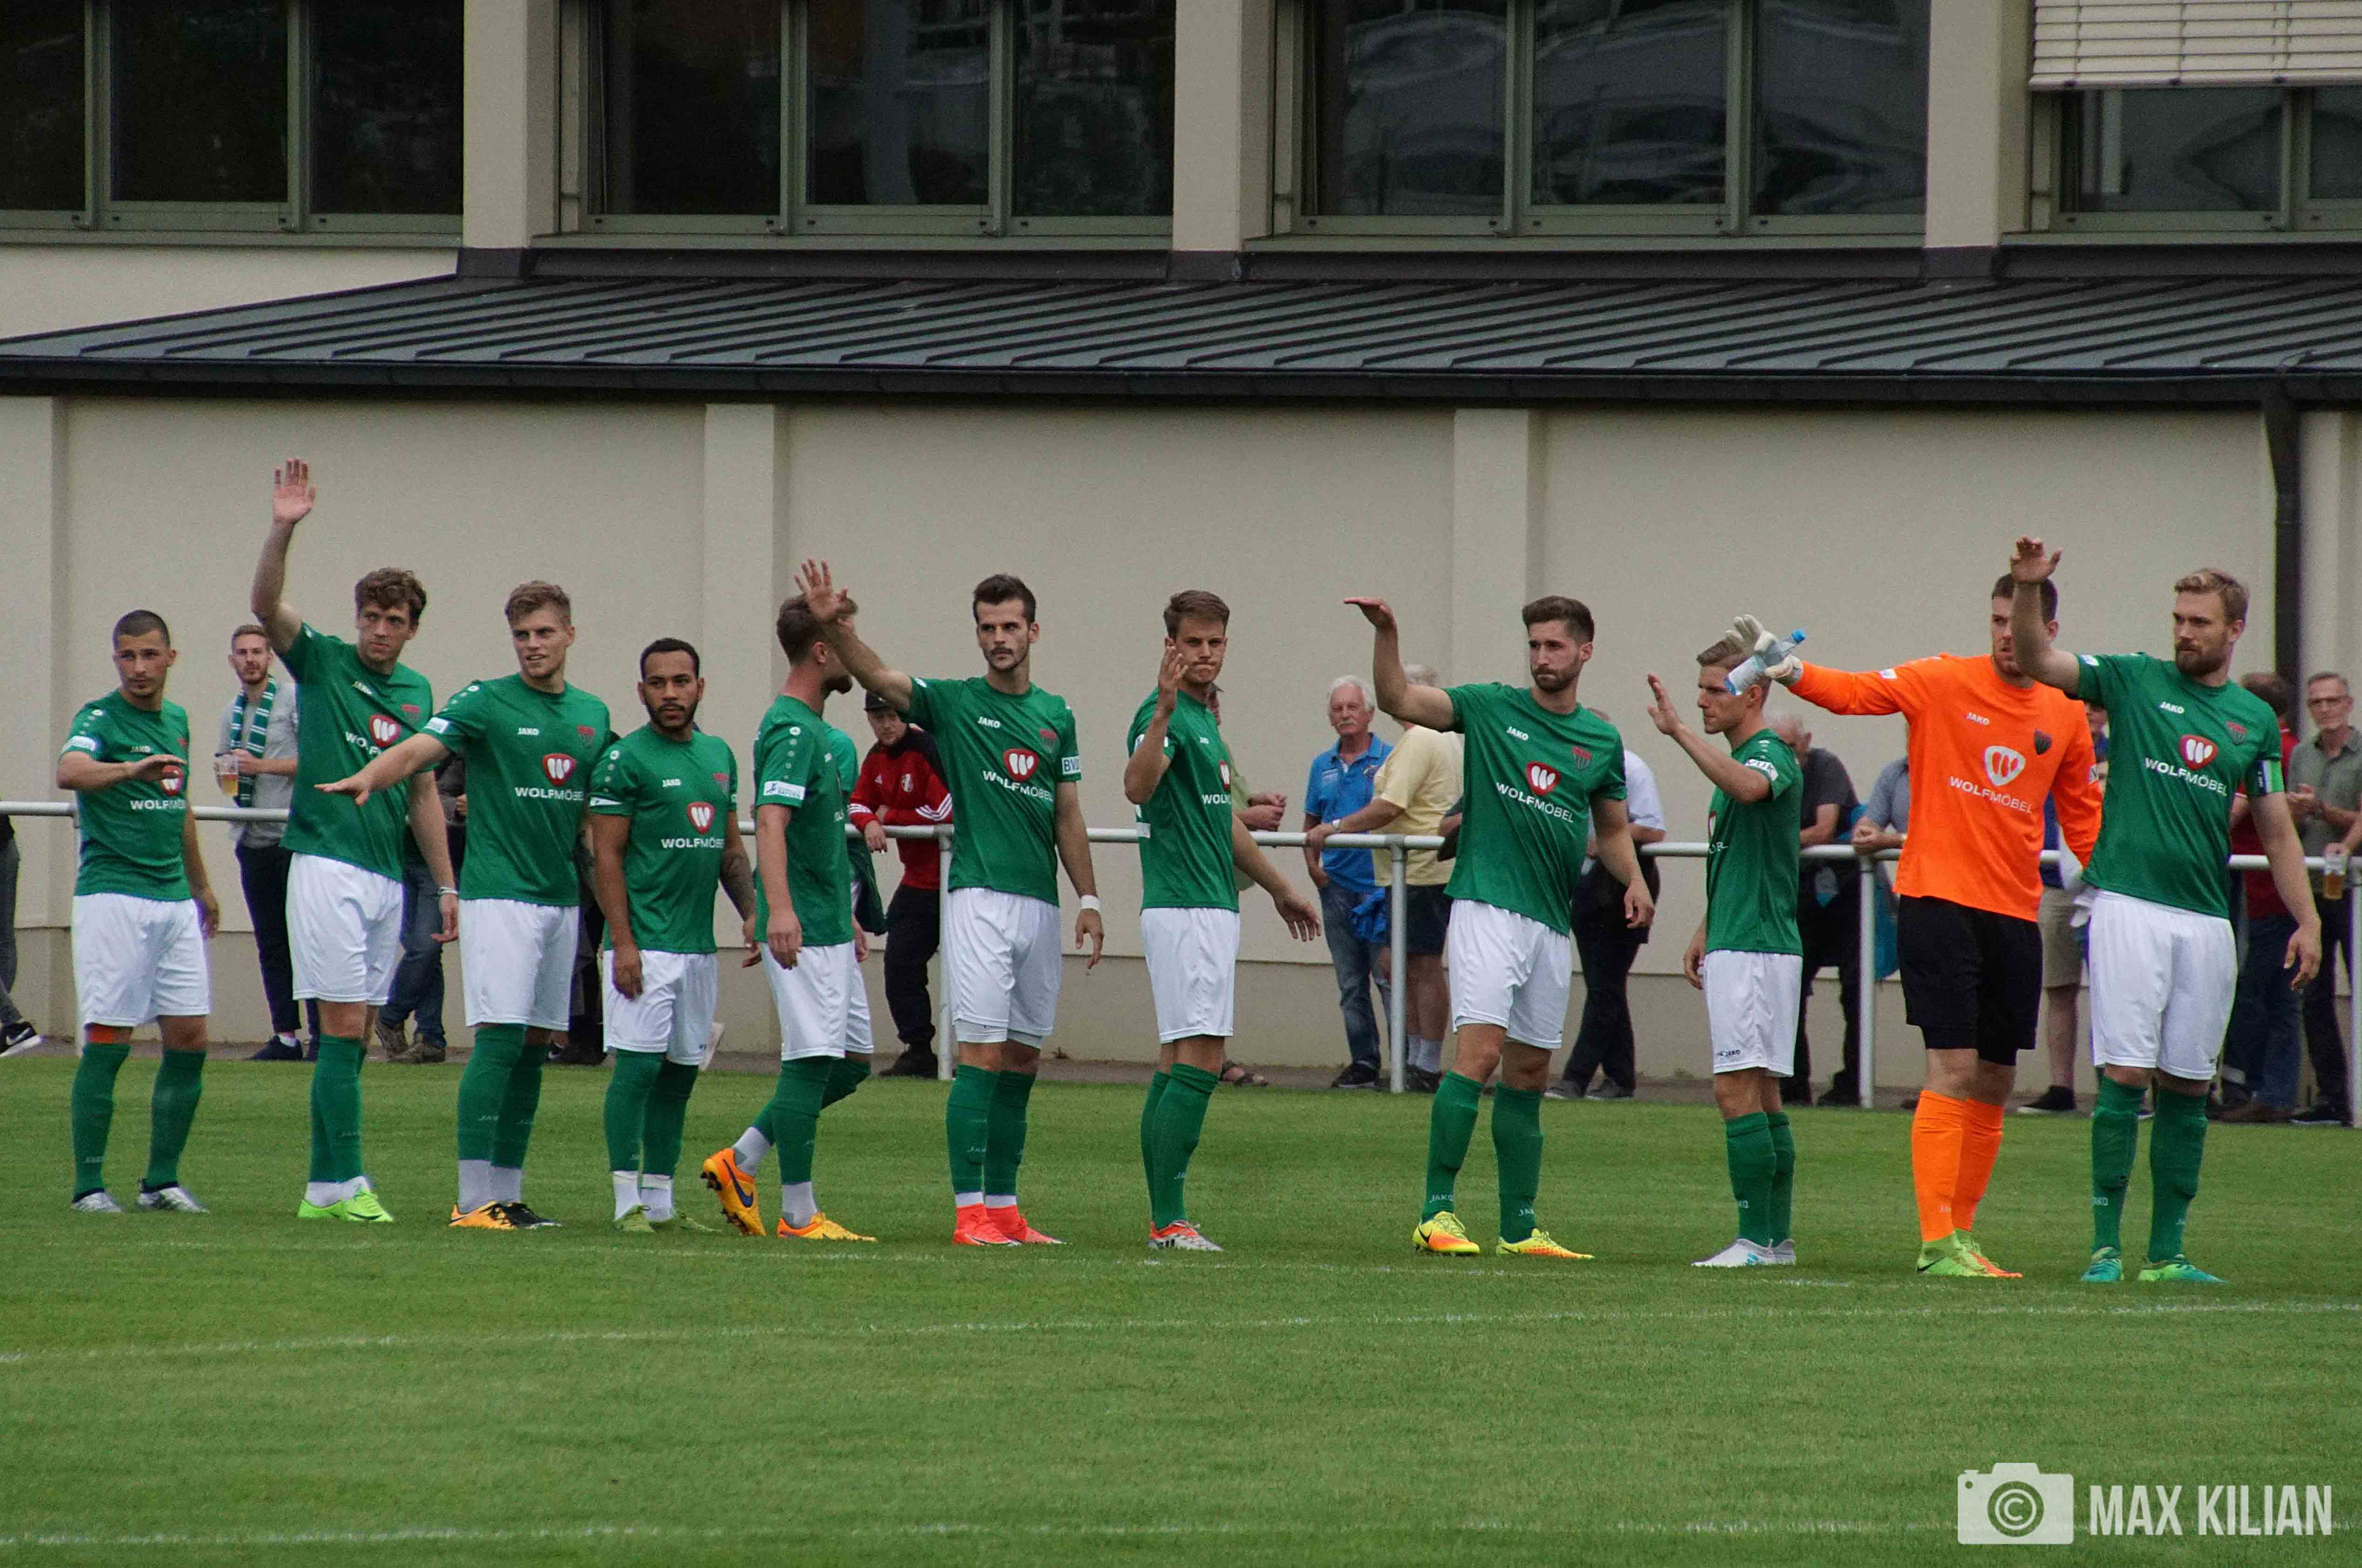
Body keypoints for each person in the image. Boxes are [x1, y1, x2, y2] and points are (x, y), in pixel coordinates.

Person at [1758, 570, 2104, 1278]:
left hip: (2013, 911)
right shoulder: (1943, 679)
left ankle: (1963, 1233)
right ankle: (1936, 1238)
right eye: (1997, 620)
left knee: (1998, 1077)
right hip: (1938, 901)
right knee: (1953, 1066)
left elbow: (2083, 820)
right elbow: (1854, 692)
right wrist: (1787, 668)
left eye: (2018, 623)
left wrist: (2122, 888)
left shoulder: (2066, 713)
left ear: (2049, 633)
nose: (2006, 634)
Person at [2007, 542, 2318, 1284]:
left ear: (2234, 629)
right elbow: (2037, 658)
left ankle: (2168, 1252)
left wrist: (2307, 919)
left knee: (2186, 1082)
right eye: (2179, 618)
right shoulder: (2134, 678)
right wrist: (2028, 589)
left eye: (2199, 621)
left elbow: (2277, 830)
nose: (2184, 631)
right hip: (2129, 906)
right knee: (2124, 1072)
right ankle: (2105, 1248)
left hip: (2206, 921)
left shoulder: (2253, 721)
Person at [796, 561, 1103, 1247]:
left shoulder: (1057, 715)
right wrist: (835, 627)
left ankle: (1006, 1209)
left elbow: (1068, 814)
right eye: (988, 627)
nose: (1000, 638)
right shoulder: (956, 702)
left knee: (1023, 1060)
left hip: (1040, 904)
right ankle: (970, 1214)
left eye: (1011, 626)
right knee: (981, 1054)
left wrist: (1089, 896)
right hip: (979, 898)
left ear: (1033, 631)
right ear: (978, 634)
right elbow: (880, 678)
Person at [1349, 592, 1653, 1260]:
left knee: (1531, 1069)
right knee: (1480, 1055)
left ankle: (1519, 1227)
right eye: (1534, 645)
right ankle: (1436, 1212)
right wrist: (1388, 632)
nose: (1541, 656)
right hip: (1487, 905)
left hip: (1549, 920)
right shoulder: (1490, 706)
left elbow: (1610, 829)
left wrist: (1633, 879)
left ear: (1584, 651)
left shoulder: (1600, 740)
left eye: (1554, 645)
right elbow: (1399, 697)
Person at [323, 581, 609, 1231]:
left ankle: (508, 1194)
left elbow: (592, 822)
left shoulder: (592, 714)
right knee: (500, 1041)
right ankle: (474, 1199)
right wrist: (374, 773)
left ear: (569, 635)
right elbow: (420, 750)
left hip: (560, 900)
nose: (532, 645)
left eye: (544, 632)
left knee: (536, 1048)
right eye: (521, 635)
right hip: (500, 896)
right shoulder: (485, 699)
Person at [249, 458, 456, 1224]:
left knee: (355, 1034)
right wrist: (283, 527)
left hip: (384, 877)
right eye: (370, 615)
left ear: (411, 627)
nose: (379, 629)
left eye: (393, 619)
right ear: (358, 617)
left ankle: (323, 1187)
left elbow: (423, 791)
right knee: (339, 1026)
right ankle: (351, 1181)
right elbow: (264, 604)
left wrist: (447, 884)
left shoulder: (418, 692)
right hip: (327, 866)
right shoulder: (324, 660)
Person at [1126, 591, 1323, 1249]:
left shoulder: (1206, 721)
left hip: (1206, 904)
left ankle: (1165, 1217)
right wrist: (1160, 712)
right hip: (1186, 906)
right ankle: (1168, 1221)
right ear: (1171, 646)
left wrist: (1280, 888)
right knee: (1201, 1059)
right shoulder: (1166, 715)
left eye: (1214, 642)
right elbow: (1137, 786)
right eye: (1192, 642)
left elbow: (1223, 824)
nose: (1204, 653)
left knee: (1177, 1060)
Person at [55, 610, 219, 1214]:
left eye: (150, 655)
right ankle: (89, 1187)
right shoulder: (99, 718)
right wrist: (129, 769)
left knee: (190, 1037)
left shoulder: (177, 721)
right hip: (114, 895)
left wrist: (202, 887)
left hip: (173, 898)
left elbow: (181, 806)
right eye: (127, 656)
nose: (139, 667)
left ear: (171, 657)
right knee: (109, 1037)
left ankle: (160, 1182)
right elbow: (68, 770)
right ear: (116, 659)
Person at [1647, 639, 1801, 1267]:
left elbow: (1748, 788)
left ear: (1754, 694)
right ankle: (1775, 1241)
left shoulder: (1767, 754)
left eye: (1716, 689)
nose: (1702, 701)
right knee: (1761, 1095)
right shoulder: (1742, 755)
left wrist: (1679, 733)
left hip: (1757, 947)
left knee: (1734, 1090)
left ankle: (1754, 1241)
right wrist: (1705, 927)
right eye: (1701, 690)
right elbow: (1742, 857)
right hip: (1740, 939)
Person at [590, 638, 751, 1233]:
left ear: (699, 687)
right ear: (642, 692)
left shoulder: (718, 755)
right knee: (636, 1072)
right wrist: (623, 943)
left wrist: (753, 914)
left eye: (681, 681)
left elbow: (730, 851)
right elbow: (605, 856)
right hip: (645, 945)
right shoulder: (623, 760)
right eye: (657, 683)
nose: (670, 693)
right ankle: (624, 1201)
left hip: (698, 949)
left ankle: (659, 1200)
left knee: (681, 1075)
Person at [1306, 662, 1461, 1092]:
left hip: (1421, 871)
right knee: (1402, 965)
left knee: (1421, 966)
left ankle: (1424, 1065)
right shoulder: (1439, 738)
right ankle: (1412, 1061)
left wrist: (1336, 827)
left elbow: (1390, 805)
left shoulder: (1421, 739)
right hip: (1410, 871)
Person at [1552, 711, 1666, 1101]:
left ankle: (1576, 1077)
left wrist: (1604, 839)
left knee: (1604, 986)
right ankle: (1620, 1077)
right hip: (1585, 886)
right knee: (1606, 985)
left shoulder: (1631, 767)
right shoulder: (1568, 769)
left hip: (1623, 884)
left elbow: (1653, 828)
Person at [217, 624, 312, 1062]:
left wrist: (260, 766)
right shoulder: (231, 712)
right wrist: (229, 772)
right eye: (243, 653)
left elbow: (315, 761)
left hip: (292, 837)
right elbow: (227, 769)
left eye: (258, 651)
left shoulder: (292, 699)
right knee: (271, 940)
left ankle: (324, 1034)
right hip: (251, 836)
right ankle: (286, 1035)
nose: (251, 659)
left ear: (271, 657)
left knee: (307, 939)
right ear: (232, 660)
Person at [850, 690, 950, 1078]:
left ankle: (988, 1056)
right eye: (879, 718)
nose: (887, 725)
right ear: (869, 720)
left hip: (960, 881)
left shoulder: (927, 749)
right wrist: (870, 822)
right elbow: (857, 804)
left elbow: (946, 810)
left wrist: (889, 816)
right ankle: (919, 1050)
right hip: (919, 881)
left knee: (969, 971)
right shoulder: (875, 758)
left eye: (893, 716)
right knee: (899, 963)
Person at [1765, 713, 1860, 1106]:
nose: (1787, 755)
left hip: (1843, 891)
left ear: (1806, 740)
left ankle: (1853, 1085)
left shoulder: (1825, 765)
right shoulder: (1764, 770)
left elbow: (1824, 828)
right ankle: (1792, 1086)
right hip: (1797, 891)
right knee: (1788, 988)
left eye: (1791, 746)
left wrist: (1772, 840)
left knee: (1855, 991)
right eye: (1779, 747)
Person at [1303, 678, 1394, 1088]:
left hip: (1378, 886)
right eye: (1337, 708)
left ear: (1370, 712)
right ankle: (1364, 1063)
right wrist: (1313, 867)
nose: (1345, 715)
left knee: (1388, 978)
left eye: (1352, 707)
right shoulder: (1321, 766)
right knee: (1351, 983)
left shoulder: (1390, 759)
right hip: (1335, 886)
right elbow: (1311, 823)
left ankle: (1405, 1065)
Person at [2020, 706, 2110, 1114]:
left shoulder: (2121, 753)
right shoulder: (2045, 748)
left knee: (2112, 993)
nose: (2089, 713)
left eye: (2096, 707)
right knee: (2058, 988)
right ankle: (2061, 1088)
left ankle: (2115, 1088)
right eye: (2081, 705)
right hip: (2054, 883)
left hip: (2107, 888)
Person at [2220, 674, 2301, 1122]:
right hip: (2268, 888)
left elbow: (2233, 814)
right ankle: (2265, 1091)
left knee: (2263, 992)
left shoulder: (2270, 750)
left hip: (2266, 889)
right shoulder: (2291, 750)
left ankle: (2262, 1091)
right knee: (2274, 992)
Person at [2291, 672, 2361, 1126]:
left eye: (2332, 700)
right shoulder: (2302, 755)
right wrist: (2297, 813)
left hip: (2354, 891)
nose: (2324, 709)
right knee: (2313, 995)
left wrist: (2329, 819)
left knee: (2360, 989)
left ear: (2348, 704)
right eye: (2316, 702)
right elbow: (2292, 821)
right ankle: (2332, 1098)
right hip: (2312, 889)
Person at [379, 756, 463, 1065]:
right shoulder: (409, 748)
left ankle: (390, 1014)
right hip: (402, 852)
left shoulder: (459, 753)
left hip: (439, 859)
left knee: (426, 946)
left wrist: (455, 807)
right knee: (424, 950)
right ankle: (431, 1036)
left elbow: (435, 796)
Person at [0, 811, 38, 1055]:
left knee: (4, 939)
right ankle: (11, 1026)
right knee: (4, 939)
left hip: (4, 844)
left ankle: (13, 1023)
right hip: (5, 844)